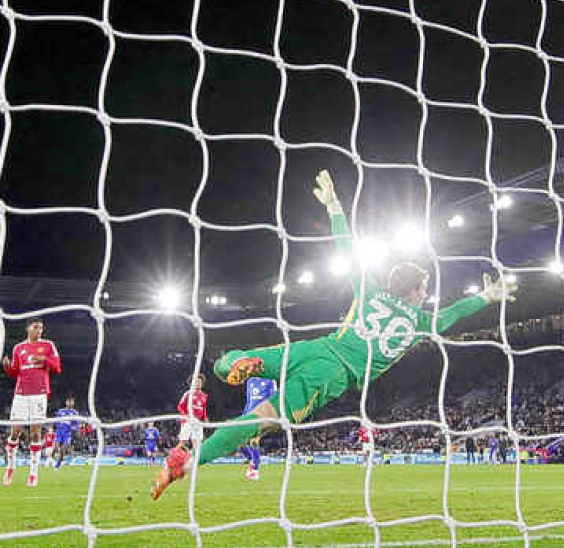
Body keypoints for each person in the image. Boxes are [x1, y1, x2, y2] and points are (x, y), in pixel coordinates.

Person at [152, 170, 516, 499]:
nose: (425, 293)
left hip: (315, 348)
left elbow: (349, 249)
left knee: (222, 366)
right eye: (424, 288)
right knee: (262, 417)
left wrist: (334, 204)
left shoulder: (370, 291)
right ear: (415, 292)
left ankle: (240, 362)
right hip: (331, 375)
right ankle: (187, 463)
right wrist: (488, 296)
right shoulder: (421, 321)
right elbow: (454, 313)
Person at [1, 318, 61, 488]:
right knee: (15, 432)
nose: (39, 330)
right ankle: (10, 467)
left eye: (41, 328)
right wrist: (7, 367)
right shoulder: (18, 348)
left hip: (40, 393)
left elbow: (57, 367)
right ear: (28, 328)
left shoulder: (48, 345)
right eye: (36, 327)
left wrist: (43, 359)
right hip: (21, 393)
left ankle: (33, 473)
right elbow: (15, 372)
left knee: (35, 433)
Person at [239, 377, 275, 481]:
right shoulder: (250, 381)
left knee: (254, 440)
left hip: (261, 415)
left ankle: (255, 470)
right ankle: (252, 460)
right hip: (249, 415)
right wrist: (243, 416)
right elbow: (249, 401)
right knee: (239, 443)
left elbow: (273, 399)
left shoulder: (270, 380)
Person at [175, 373, 209, 455]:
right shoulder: (188, 393)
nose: (198, 383)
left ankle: (194, 463)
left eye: (199, 382)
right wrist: (186, 416)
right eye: (196, 382)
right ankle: (169, 459)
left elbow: (203, 408)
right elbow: (180, 406)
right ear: (192, 383)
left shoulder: (204, 395)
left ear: (202, 383)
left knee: (197, 443)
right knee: (183, 442)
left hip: (197, 422)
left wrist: (205, 418)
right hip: (187, 421)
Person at [53, 397, 78, 469]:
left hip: (67, 434)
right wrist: (55, 427)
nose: (70, 403)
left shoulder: (75, 413)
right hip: (59, 432)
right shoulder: (61, 411)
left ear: (73, 403)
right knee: (56, 447)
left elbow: (76, 424)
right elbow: (56, 421)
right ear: (66, 402)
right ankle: (54, 459)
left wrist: (74, 428)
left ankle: (58, 464)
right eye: (68, 401)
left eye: (71, 402)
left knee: (62, 449)